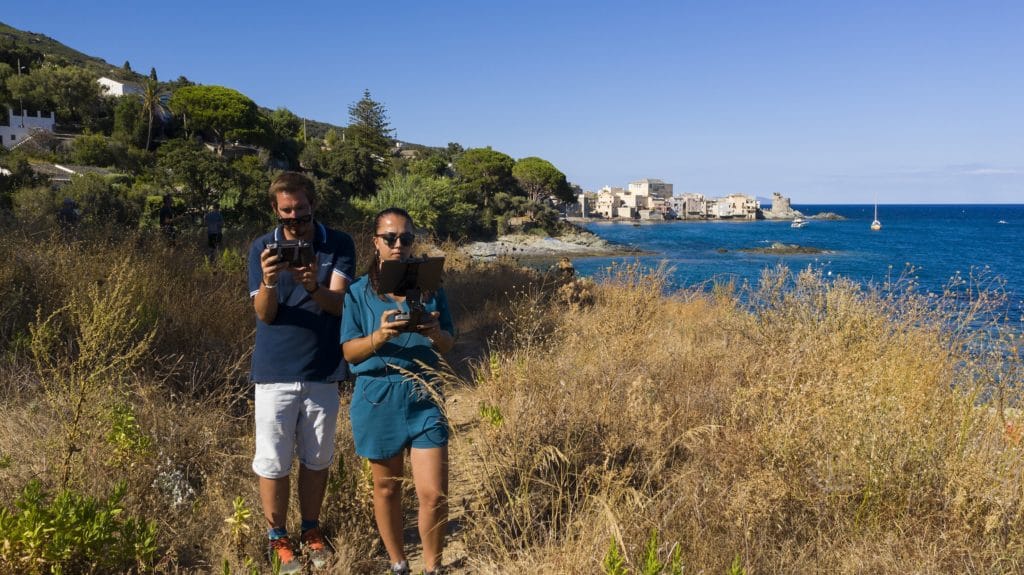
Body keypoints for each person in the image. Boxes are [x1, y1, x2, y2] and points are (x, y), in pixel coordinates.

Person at [247, 172, 355, 573]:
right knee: (273, 459)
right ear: (276, 210)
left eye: (301, 210)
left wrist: (312, 285)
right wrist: (271, 281)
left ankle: (311, 529)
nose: (294, 219)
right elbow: (265, 313)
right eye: (286, 212)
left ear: (313, 204)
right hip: (274, 370)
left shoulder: (338, 243)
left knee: (317, 457)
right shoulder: (262, 247)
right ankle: (278, 537)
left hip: (323, 369)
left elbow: (339, 304)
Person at [340, 208, 455, 575]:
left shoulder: (432, 286)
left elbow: (450, 342)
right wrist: (380, 336)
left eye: (406, 238)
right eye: (389, 238)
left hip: (425, 394)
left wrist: (435, 334)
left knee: (434, 495)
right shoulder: (358, 292)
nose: (398, 245)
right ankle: (398, 563)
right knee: (387, 489)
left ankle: (433, 566)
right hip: (378, 395)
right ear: (375, 242)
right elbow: (348, 351)